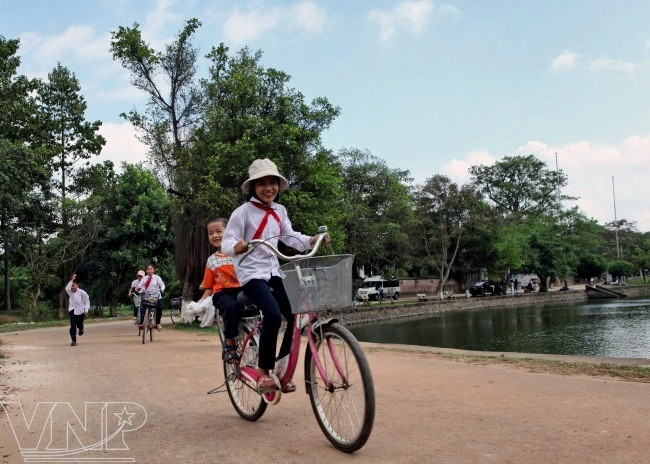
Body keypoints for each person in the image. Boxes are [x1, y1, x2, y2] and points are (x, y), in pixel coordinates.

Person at [221, 158, 322, 393]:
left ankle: (281, 368)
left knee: (294, 315)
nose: (269, 188)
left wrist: (311, 241)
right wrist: (236, 246)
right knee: (274, 316)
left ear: (279, 184)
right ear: (253, 187)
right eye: (262, 183)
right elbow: (227, 240)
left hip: (274, 272)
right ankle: (264, 374)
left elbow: (290, 237)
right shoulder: (243, 212)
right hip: (252, 273)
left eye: (273, 182)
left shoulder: (280, 210)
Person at [198, 218, 243, 364]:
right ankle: (229, 343)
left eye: (219, 231)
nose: (215, 235)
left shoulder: (241, 253)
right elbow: (209, 287)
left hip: (242, 290)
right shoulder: (211, 260)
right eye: (211, 233)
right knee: (231, 307)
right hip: (222, 294)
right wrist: (201, 303)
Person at [136, 264, 165, 330]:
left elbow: (162, 284)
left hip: (156, 296)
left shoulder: (157, 277)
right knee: (142, 308)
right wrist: (138, 287)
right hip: (147, 296)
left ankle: (158, 323)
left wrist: (162, 288)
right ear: (146, 271)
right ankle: (142, 323)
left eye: (151, 269)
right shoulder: (144, 278)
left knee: (159, 308)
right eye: (148, 269)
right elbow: (140, 285)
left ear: (154, 270)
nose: (150, 270)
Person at [65, 273, 90, 346]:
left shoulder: (82, 292)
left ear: (77, 285)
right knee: (73, 325)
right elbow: (67, 288)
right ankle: (73, 341)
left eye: (74, 285)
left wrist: (86, 309)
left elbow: (87, 301)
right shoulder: (70, 293)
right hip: (72, 310)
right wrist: (72, 280)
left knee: (79, 324)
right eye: (71, 286)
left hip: (80, 311)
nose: (72, 287)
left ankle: (81, 328)